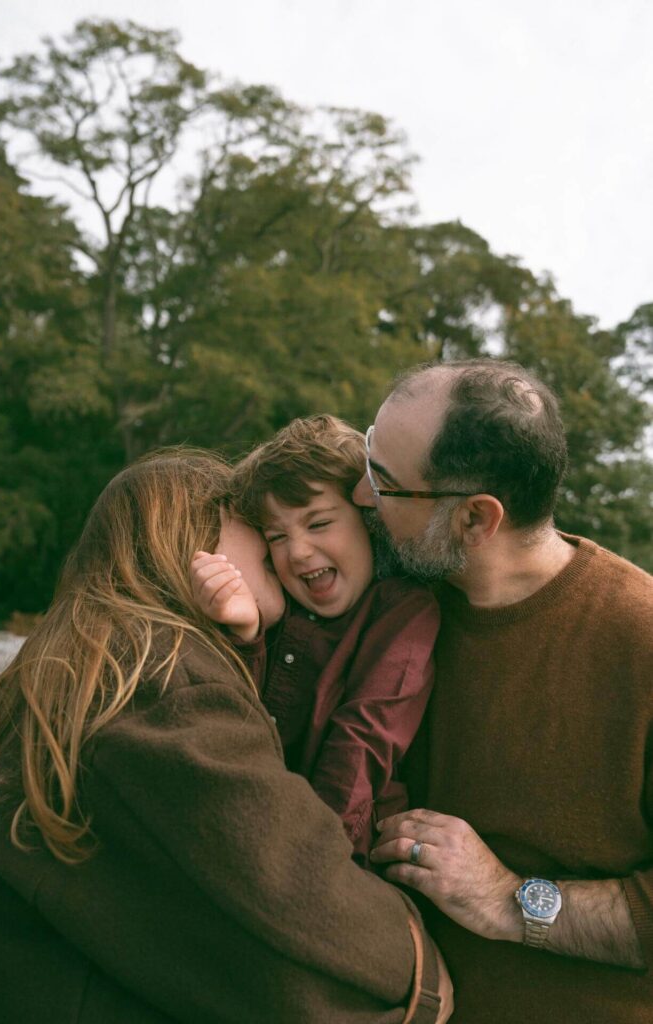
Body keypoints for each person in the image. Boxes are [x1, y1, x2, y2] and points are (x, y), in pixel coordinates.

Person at [0, 448, 451, 1024]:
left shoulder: (75, 659)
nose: (283, 552)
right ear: (198, 541)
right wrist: (422, 968)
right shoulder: (168, 678)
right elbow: (303, 895)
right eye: (259, 530)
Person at [350, 358, 653, 1024]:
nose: (357, 495)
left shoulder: (639, 636)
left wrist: (511, 900)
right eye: (365, 454)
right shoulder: (382, 598)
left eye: (383, 481)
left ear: (473, 521)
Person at [192, 415, 439, 863]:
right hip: (253, 831)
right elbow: (238, 731)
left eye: (319, 523)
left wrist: (315, 858)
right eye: (277, 536)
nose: (298, 551)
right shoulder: (278, 612)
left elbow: (364, 738)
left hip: (341, 849)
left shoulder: (403, 610)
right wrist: (246, 635)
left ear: (370, 517)